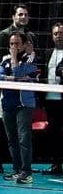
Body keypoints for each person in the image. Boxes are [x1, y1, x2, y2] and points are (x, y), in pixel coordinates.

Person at [0, 31, 39, 184]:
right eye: (11, 44)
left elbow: (19, 72)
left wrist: (15, 61)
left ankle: (26, 172)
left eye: (17, 44)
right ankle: (17, 170)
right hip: (8, 104)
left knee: (24, 139)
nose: (14, 47)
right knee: (12, 139)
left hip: (24, 104)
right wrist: (13, 77)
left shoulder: (31, 58)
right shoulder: (5, 59)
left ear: (24, 45)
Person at [44, 22, 63, 175]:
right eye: (56, 33)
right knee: (54, 133)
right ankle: (56, 164)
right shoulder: (48, 52)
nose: (58, 36)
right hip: (50, 99)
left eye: (61, 33)